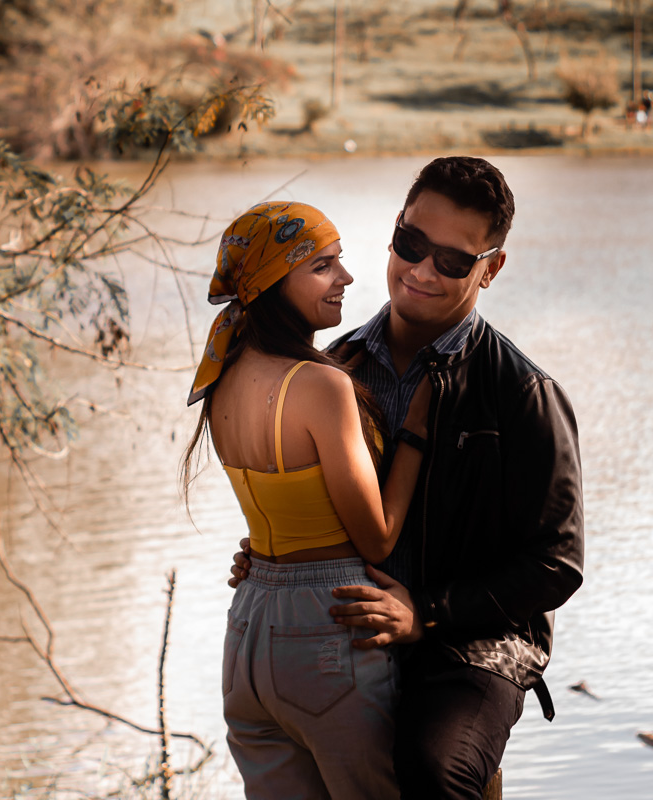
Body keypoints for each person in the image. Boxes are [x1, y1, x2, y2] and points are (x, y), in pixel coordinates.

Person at [230, 157, 585, 799]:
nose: (420, 270)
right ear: (395, 229)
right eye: (411, 244)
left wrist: (425, 613)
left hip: (473, 645)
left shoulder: (522, 393)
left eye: (452, 261)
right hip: (345, 625)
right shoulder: (333, 368)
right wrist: (270, 551)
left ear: (490, 268)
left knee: (433, 769)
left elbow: (557, 565)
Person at [183, 201, 432, 799]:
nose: (345, 277)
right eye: (322, 265)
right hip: (327, 625)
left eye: (340, 261)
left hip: (248, 627)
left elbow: (281, 508)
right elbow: (376, 537)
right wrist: (418, 432)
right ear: (274, 282)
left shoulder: (222, 379)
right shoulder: (321, 385)